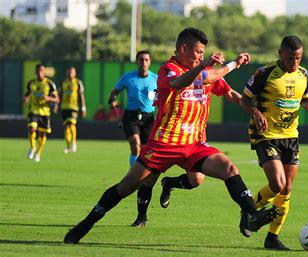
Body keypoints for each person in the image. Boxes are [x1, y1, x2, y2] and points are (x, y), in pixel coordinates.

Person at [63, 27, 277, 244]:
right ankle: (85, 225)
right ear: (183, 49)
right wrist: (224, 65)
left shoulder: (206, 71)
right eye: (198, 52)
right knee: (126, 187)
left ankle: (251, 215)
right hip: (164, 144)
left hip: (194, 144)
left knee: (228, 169)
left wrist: (254, 111)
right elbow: (179, 83)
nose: (202, 57)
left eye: (203, 53)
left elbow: (230, 93)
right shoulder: (169, 69)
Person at [239, 35, 308, 250]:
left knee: (287, 188)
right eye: (291, 58)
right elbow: (244, 99)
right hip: (266, 135)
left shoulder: (304, 74)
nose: (295, 63)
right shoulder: (265, 73)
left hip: (291, 136)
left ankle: (272, 237)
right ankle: (249, 211)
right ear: (280, 53)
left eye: (299, 58)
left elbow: (307, 98)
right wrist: (255, 111)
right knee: (277, 184)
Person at [158, 78, 244, 209]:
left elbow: (229, 92)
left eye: (201, 55)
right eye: (198, 55)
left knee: (196, 179)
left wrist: (251, 107)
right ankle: (141, 217)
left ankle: (169, 183)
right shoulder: (176, 73)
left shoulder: (211, 75)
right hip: (172, 138)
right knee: (147, 175)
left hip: (196, 140)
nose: (199, 57)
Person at [107, 50, 158, 227]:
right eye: (141, 59)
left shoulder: (156, 78)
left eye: (146, 60)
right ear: (136, 61)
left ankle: (138, 171)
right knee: (135, 146)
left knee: (145, 150)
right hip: (130, 116)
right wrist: (112, 100)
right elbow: (115, 91)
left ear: (150, 62)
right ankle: (134, 175)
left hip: (149, 117)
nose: (143, 62)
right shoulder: (128, 77)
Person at [23, 64, 59, 162]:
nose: (39, 73)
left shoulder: (49, 84)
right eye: (38, 71)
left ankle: (38, 153)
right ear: (35, 72)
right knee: (32, 128)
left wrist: (49, 98)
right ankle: (32, 147)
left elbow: (57, 99)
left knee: (42, 134)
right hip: (33, 109)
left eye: (41, 70)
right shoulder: (31, 83)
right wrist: (25, 98)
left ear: (44, 72)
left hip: (45, 112)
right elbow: (26, 94)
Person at [56, 66, 86, 153]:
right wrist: (57, 105)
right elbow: (60, 95)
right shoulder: (63, 83)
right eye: (68, 72)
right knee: (66, 127)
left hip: (74, 107)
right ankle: (68, 145)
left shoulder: (78, 82)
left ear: (75, 73)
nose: (70, 74)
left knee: (72, 124)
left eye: (71, 72)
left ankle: (73, 143)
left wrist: (83, 107)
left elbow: (81, 96)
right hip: (64, 107)